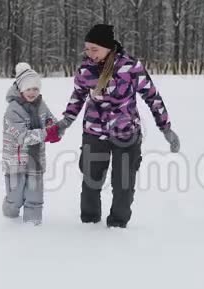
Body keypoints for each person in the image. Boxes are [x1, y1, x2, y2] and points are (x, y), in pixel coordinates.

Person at [55, 24, 181, 228]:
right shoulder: (86, 69)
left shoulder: (130, 67)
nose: (89, 53)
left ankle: (117, 226)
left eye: (94, 49)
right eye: (87, 49)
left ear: (108, 47)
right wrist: (66, 121)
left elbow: (152, 96)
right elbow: (77, 96)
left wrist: (165, 128)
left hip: (126, 134)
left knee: (123, 184)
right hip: (94, 133)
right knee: (91, 181)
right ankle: (89, 223)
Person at [1, 62, 61, 225]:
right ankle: (9, 218)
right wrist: (46, 134)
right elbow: (22, 136)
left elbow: (50, 120)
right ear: (20, 90)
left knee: (34, 193)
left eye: (35, 89)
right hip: (16, 160)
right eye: (28, 89)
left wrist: (55, 129)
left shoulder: (41, 105)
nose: (32, 92)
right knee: (15, 196)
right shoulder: (13, 110)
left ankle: (32, 222)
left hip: (35, 159)